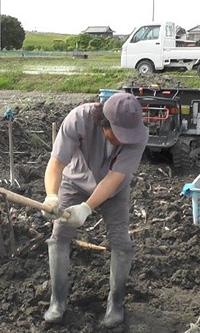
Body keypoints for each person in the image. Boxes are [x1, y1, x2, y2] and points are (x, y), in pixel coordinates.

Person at [41, 92, 148, 328]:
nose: (124, 140)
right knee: (59, 236)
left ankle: (116, 303)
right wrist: (51, 196)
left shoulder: (138, 136)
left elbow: (114, 178)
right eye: (119, 134)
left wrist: (87, 208)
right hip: (74, 182)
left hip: (115, 190)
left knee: (121, 241)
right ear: (103, 123)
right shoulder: (78, 119)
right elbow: (57, 163)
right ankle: (57, 302)